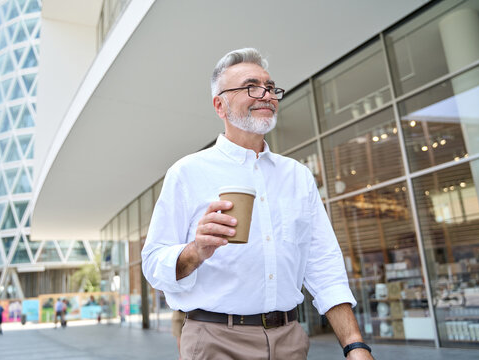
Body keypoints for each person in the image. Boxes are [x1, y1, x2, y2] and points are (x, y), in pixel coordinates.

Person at [141, 48, 374, 360]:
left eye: (270, 86)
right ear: (219, 105)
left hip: (290, 341)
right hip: (215, 342)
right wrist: (195, 251)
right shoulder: (187, 173)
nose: (266, 94)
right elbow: (153, 264)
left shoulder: (297, 176)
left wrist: (355, 345)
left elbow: (323, 265)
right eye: (251, 86)